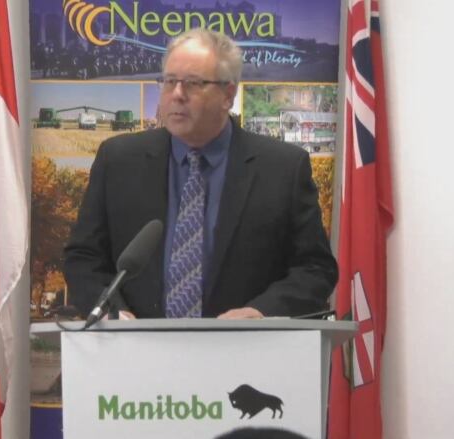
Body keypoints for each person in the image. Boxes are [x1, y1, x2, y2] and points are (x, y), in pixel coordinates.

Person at [63, 28, 337, 319]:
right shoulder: (118, 160)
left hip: (244, 353)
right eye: (169, 82)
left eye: (193, 83)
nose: (177, 95)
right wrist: (110, 311)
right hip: (135, 352)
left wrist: (260, 312)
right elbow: (84, 258)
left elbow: (315, 269)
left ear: (228, 95)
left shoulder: (282, 168)